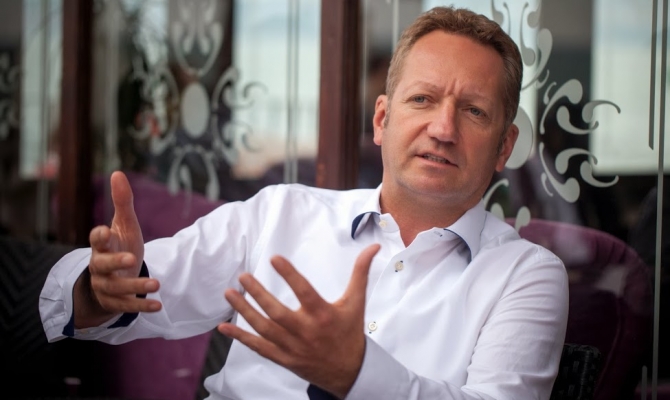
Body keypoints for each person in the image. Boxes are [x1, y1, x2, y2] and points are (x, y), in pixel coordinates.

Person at [40, 6, 568, 400]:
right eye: (422, 99)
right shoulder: (281, 215)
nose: (443, 128)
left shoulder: (526, 275)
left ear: (504, 147)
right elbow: (122, 292)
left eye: (473, 111)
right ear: (382, 120)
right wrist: (101, 288)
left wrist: (357, 374)